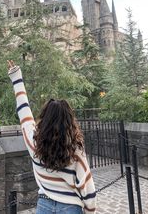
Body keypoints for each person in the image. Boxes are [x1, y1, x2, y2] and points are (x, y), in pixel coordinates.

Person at [7, 60, 97, 213]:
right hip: (71, 207)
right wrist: (90, 211)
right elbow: (87, 186)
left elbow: (24, 111)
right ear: (69, 121)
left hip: (44, 205)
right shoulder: (75, 148)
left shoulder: (34, 143)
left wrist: (16, 77)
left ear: (45, 119)